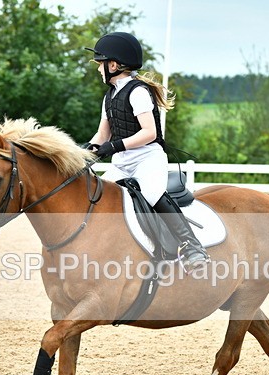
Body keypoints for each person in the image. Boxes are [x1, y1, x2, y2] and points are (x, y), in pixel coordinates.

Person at [84, 31, 209, 273]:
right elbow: (102, 135)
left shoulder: (138, 91)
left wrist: (115, 146)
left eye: (101, 64)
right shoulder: (109, 96)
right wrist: (86, 152)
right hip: (122, 162)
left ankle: (191, 245)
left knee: (152, 193)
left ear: (114, 65)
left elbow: (149, 132)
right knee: (101, 199)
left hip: (147, 158)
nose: (99, 69)